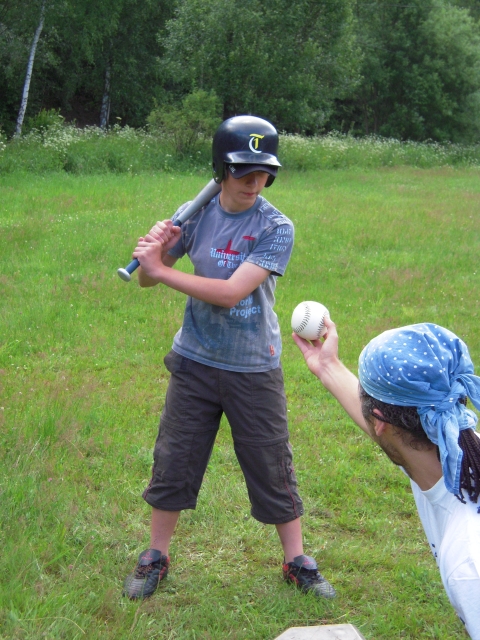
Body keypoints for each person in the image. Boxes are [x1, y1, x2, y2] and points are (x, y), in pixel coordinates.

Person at [122, 115, 336, 600]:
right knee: (174, 457)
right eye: (243, 171)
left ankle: (296, 560)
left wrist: (161, 269)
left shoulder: (275, 226)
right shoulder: (194, 213)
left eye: (264, 173)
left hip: (253, 365)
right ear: (221, 169)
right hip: (194, 360)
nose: (254, 182)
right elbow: (148, 278)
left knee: (270, 461)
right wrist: (156, 253)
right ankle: (156, 555)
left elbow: (230, 293)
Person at [293, 317, 480, 638]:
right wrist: (327, 366)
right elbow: (384, 421)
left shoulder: (470, 564)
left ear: (381, 422)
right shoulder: (451, 445)